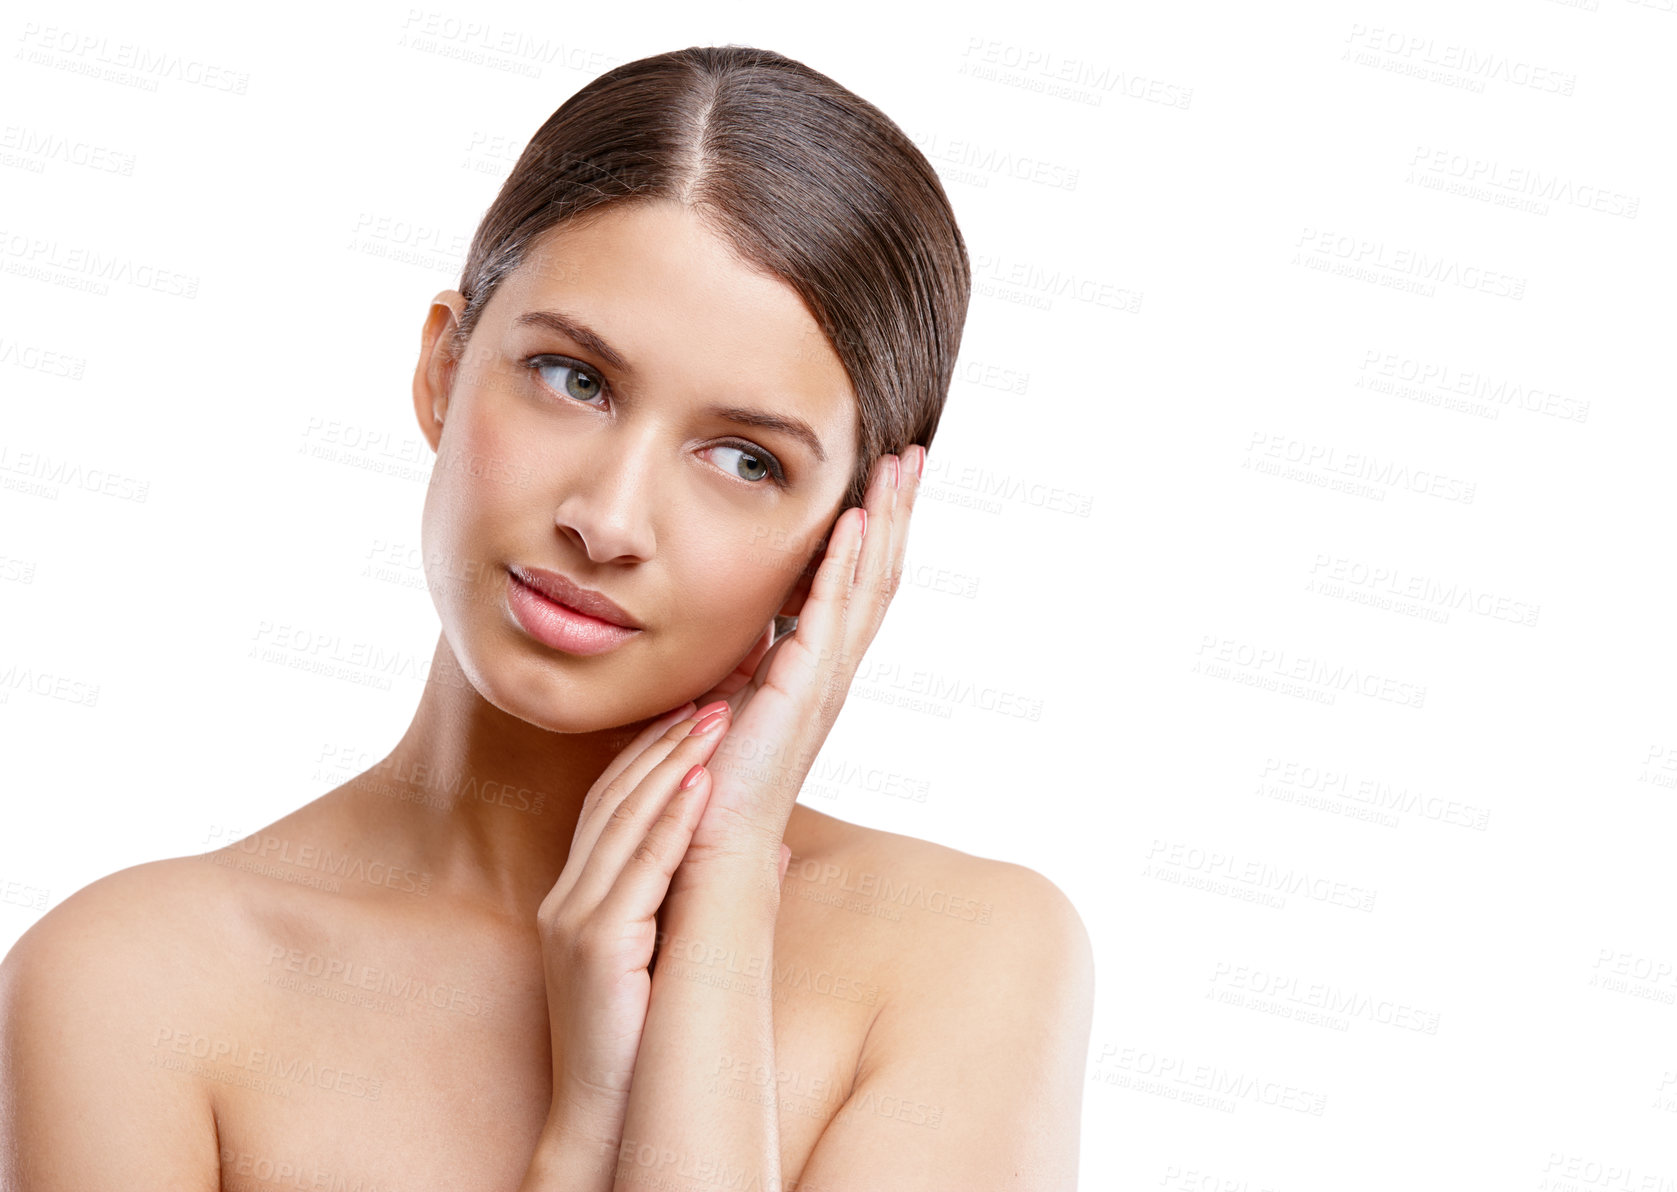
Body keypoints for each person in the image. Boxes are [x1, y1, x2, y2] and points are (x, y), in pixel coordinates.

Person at [0, 44, 1094, 1191]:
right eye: (576, 378)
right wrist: (582, 1139)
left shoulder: (970, 956)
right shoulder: (129, 987)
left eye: (744, 458)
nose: (609, 518)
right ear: (443, 365)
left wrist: (720, 904)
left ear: (848, 538)